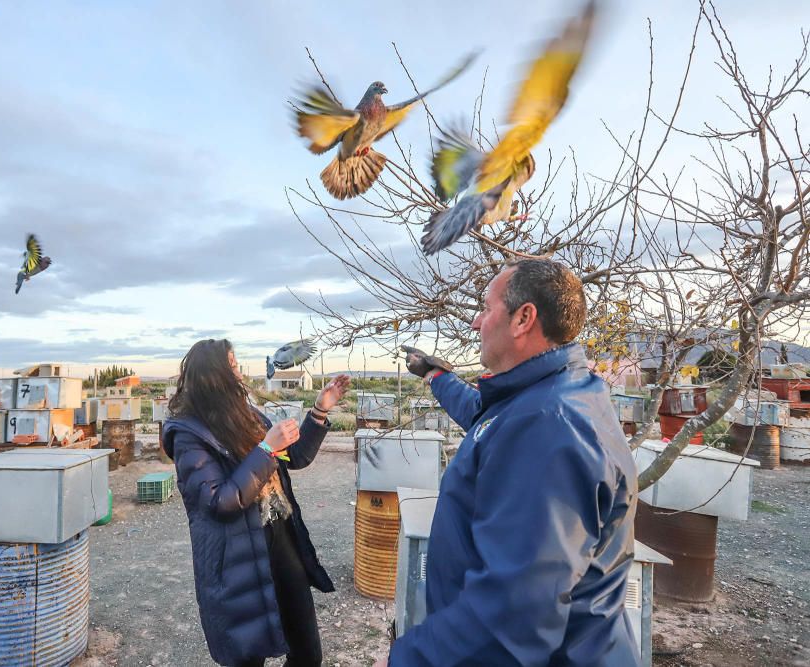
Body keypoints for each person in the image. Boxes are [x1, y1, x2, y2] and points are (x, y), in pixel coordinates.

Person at [380, 259, 639, 666]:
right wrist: (436, 376)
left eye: (485, 308)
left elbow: (517, 610)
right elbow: (486, 420)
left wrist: (412, 659)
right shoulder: (550, 395)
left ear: (523, 318)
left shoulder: (550, 427)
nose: (475, 322)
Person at [162, 339, 351, 667]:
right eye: (232, 365)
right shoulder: (188, 434)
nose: (239, 372)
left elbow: (297, 456)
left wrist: (320, 410)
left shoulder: (246, 414)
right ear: (214, 375)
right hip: (236, 556)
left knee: (307, 653)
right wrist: (266, 449)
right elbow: (220, 501)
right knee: (247, 659)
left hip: (280, 541)